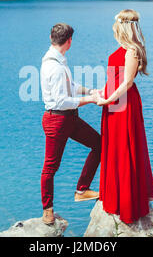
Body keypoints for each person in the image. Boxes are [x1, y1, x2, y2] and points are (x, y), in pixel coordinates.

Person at [97, 9, 153, 224]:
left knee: (124, 147)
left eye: (116, 24)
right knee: (114, 147)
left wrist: (107, 99)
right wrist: (102, 94)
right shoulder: (122, 48)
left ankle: (127, 203)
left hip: (123, 103)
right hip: (113, 100)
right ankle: (114, 197)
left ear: (121, 26)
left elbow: (127, 83)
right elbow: (115, 78)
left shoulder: (131, 50)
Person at [40, 23, 101, 225]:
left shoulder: (58, 60)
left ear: (51, 37)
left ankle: (82, 190)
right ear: (69, 41)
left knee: (99, 144)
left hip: (69, 118)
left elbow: (71, 87)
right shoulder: (54, 66)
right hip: (57, 119)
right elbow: (61, 101)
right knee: (51, 167)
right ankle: (47, 210)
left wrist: (90, 91)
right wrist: (91, 101)